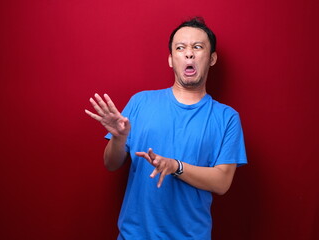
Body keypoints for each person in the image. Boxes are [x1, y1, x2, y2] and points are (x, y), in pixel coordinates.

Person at [85, 17, 247, 240]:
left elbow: (222, 183)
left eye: (197, 47)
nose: (189, 54)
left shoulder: (227, 117)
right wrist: (119, 138)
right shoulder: (140, 102)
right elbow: (111, 164)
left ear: (212, 58)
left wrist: (175, 166)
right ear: (171, 59)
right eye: (180, 48)